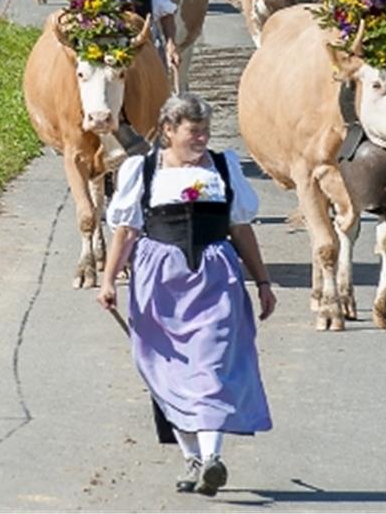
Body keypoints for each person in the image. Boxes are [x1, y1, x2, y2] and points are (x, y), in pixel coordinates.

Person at [97, 93, 277, 497]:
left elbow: (241, 228)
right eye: (193, 132)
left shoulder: (224, 168)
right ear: (168, 131)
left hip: (216, 278)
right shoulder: (141, 171)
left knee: (212, 365)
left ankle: (212, 458)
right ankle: (193, 459)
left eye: (205, 132)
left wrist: (263, 281)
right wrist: (108, 281)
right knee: (165, 367)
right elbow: (125, 232)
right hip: (159, 282)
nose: (201, 139)